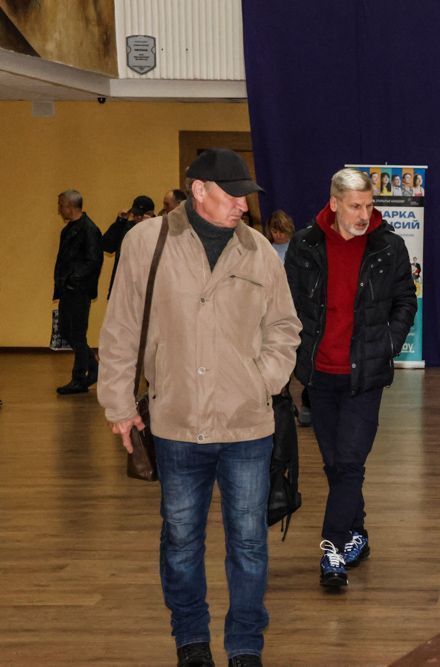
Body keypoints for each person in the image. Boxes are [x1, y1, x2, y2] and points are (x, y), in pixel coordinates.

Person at [97, 148, 301, 666]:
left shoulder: (257, 250)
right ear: (199, 190)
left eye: (246, 198)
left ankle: (246, 645)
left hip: (246, 426)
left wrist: (264, 380)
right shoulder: (148, 242)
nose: (243, 206)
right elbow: (121, 326)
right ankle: (190, 639)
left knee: (249, 543)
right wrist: (118, 403)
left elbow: (284, 327)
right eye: (233, 196)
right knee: (181, 539)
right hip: (177, 422)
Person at [284, 168, 416, 590]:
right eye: (356, 206)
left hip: (365, 375)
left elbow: (405, 301)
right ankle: (357, 532)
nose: (364, 214)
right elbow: (288, 304)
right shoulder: (305, 245)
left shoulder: (389, 246)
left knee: (349, 464)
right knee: (335, 465)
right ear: (334, 203)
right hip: (320, 375)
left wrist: (388, 343)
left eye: (369, 205)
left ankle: (333, 550)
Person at [53, 189, 103, 395]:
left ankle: (79, 378)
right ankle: (95, 369)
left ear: (70, 206)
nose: (59, 210)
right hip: (68, 289)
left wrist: (73, 279)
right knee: (67, 331)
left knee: (77, 333)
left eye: (61, 205)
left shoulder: (89, 229)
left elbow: (94, 260)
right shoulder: (68, 230)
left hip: (79, 290)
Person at [102, 195, 156, 297]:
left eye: (140, 215)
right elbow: (107, 246)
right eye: (135, 213)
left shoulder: (157, 229)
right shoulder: (126, 226)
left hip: (143, 289)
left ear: (150, 214)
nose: (137, 217)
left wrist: (149, 225)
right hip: (121, 287)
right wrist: (120, 222)